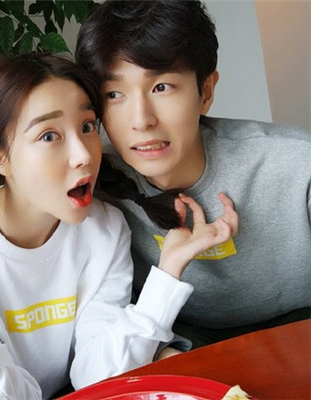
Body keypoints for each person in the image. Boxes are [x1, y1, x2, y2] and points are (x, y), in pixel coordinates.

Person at [0, 52, 238, 399]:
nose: (84, 154)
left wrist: (168, 271)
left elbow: (97, 377)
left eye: (86, 126)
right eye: (49, 136)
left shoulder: (104, 228)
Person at [75, 0, 311, 350]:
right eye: (114, 94)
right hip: (183, 344)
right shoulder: (91, 181)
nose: (141, 120)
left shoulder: (297, 165)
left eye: (161, 87)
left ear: (206, 92)